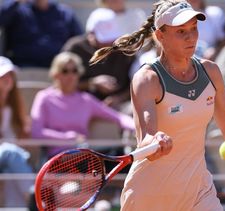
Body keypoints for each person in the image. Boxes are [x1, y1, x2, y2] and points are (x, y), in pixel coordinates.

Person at [89, 1, 225, 210]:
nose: (191, 37)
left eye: (194, 29)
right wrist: (155, 142)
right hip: (150, 195)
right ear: (160, 36)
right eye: (181, 32)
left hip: (198, 191)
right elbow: (146, 138)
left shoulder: (211, 71)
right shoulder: (147, 79)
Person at [30, 52, 135, 159]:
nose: (71, 75)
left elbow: (118, 117)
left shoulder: (86, 100)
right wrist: (68, 137)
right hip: (57, 159)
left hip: (84, 155)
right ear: (55, 74)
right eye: (65, 71)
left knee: (119, 156)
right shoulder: (44, 97)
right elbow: (36, 132)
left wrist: (136, 127)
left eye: (74, 71)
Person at [62, 8, 137, 112]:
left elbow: (137, 84)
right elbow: (60, 82)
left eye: (111, 39)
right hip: (79, 104)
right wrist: (91, 83)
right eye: (104, 39)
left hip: (117, 107)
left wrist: (119, 98)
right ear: (90, 34)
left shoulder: (124, 51)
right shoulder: (75, 49)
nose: (108, 44)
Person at [0, 0, 83, 67]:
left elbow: (79, 41)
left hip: (57, 71)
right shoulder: (18, 10)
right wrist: (16, 2)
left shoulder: (65, 13)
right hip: (23, 68)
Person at [0, 56, 33, 207]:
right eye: (2, 76)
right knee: (10, 152)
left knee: (12, 173)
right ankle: (35, 196)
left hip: (9, 162)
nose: (7, 79)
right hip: (8, 155)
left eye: (10, 75)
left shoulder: (14, 109)